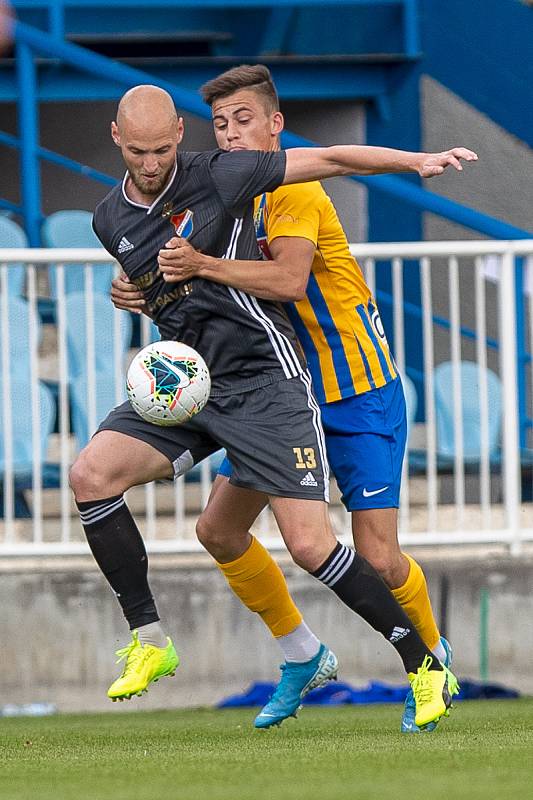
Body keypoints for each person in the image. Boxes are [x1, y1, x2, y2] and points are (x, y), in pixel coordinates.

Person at [70, 82, 474, 731]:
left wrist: (414, 161)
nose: (230, 135)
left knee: (353, 552)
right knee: (142, 497)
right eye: (222, 124)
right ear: (120, 141)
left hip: (337, 385)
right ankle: (261, 650)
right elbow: (165, 285)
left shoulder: (263, 185)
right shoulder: (121, 215)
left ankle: (430, 663)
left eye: (243, 122)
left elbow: (288, 273)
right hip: (214, 382)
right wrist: (137, 293)